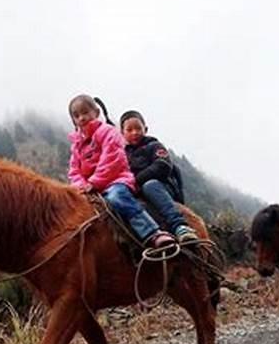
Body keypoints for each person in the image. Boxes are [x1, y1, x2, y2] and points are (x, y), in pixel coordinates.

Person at [67, 95, 174, 248]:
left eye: (85, 112)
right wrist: (81, 186)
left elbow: (111, 160)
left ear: (96, 113)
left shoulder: (108, 132)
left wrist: (93, 182)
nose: (82, 118)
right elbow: (74, 170)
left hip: (114, 181)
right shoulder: (77, 144)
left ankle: (152, 232)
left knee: (117, 197)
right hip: (89, 188)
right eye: (77, 115)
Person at [119, 110, 198, 243]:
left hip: (161, 187)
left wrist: (135, 181)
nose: (134, 132)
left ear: (146, 129)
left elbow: (163, 165)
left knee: (149, 185)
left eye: (138, 128)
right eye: (129, 129)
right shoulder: (122, 154)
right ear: (122, 133)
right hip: (137, 190)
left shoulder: (154, 146)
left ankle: (180, 226)